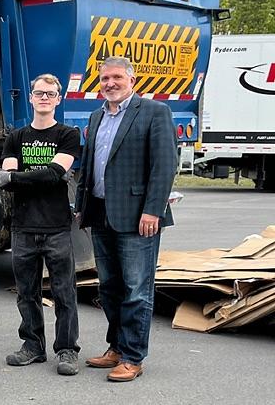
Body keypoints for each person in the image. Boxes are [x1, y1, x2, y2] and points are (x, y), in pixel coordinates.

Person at [75, 56, 177, 382]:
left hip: (138, 217)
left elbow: (164, 166)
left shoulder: (153, 112)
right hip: (102, 213)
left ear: (132, 80)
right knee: (110, 288)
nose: (110, 84)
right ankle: (116, 348)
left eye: (117, 77)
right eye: (105, 79)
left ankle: (133, 356)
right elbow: (89, 167)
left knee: (137, 290)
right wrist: (81, 205)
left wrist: (153, 210)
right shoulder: (97, 115)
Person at [0, 74, 82, 375]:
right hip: (23, 228)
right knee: (27, 293)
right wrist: (45, 175)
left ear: (59, 99)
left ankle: (67, 350)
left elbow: (52, 172)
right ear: (31, 98)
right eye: (38, 93)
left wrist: (21, 177)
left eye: (50, 93)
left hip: (57, 227)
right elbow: (8, 184)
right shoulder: (15, 137)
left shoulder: (68, 135)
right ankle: (33, 346)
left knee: (64, 292)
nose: (44, 97)